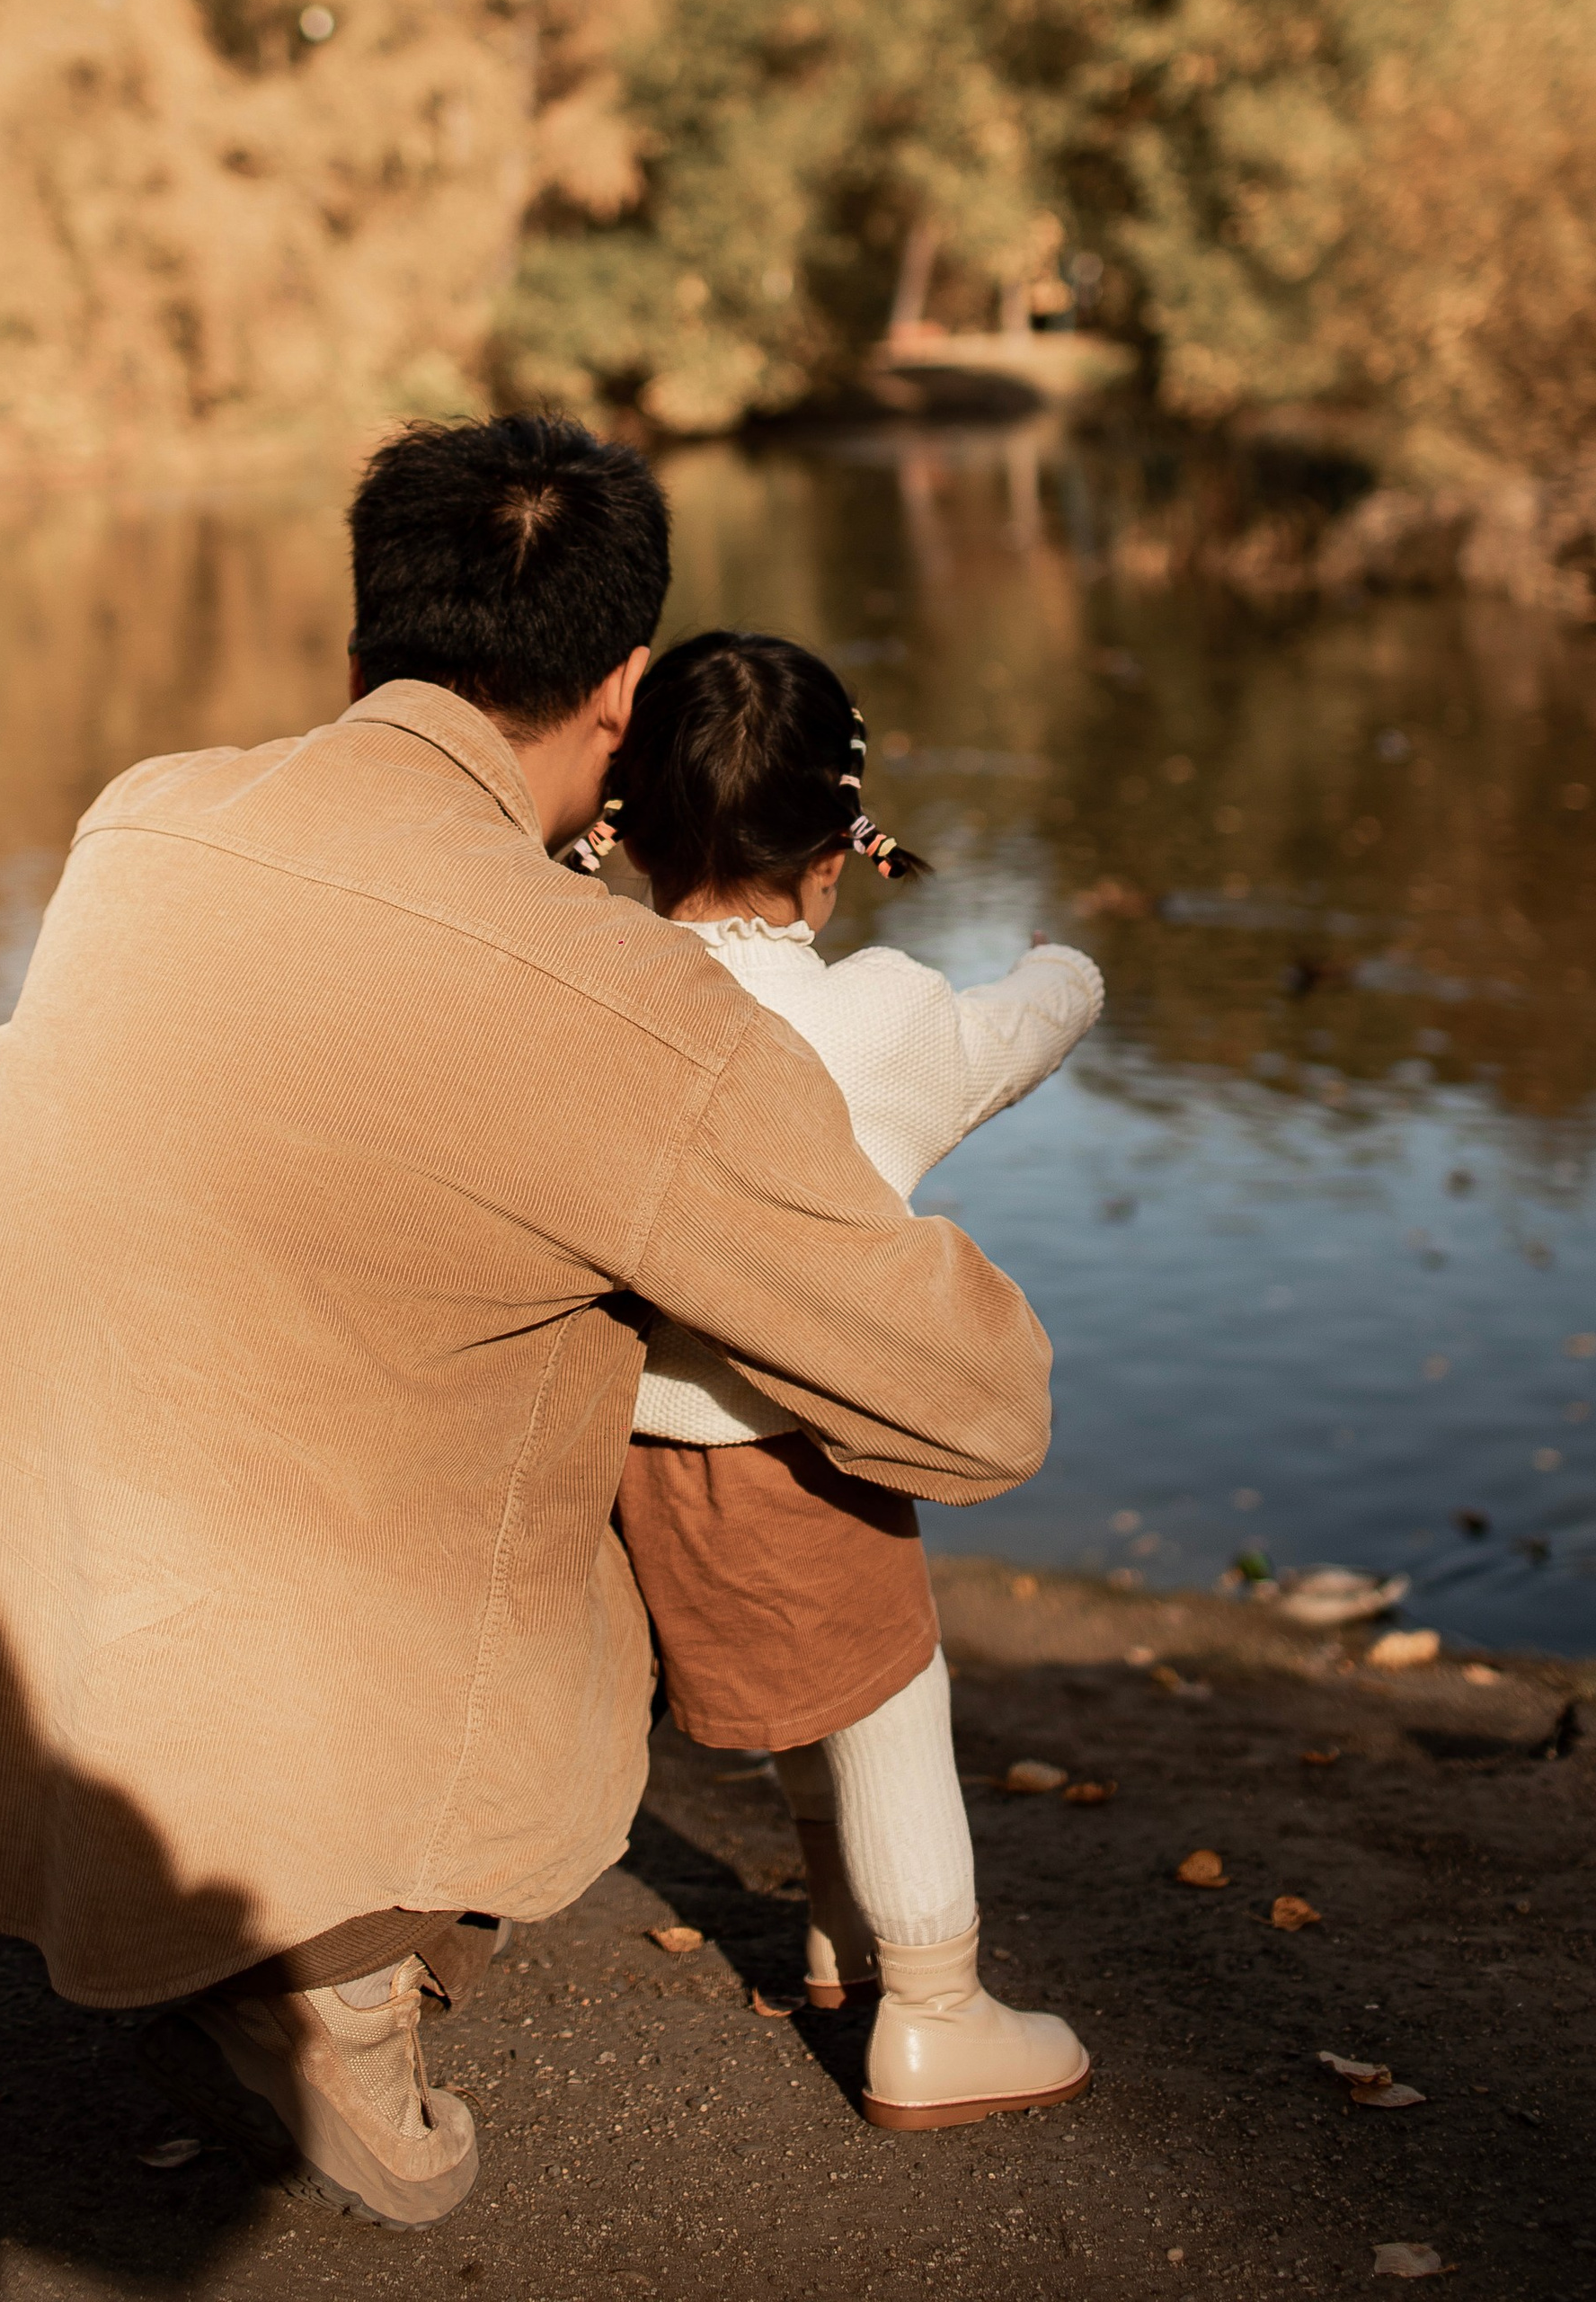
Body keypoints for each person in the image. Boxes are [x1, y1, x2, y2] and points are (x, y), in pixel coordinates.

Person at [0, 416, 1054, 2231]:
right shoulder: (619, 1004)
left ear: (364, 637)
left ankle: (222, 1896)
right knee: (611, 1439)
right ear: (619, 691)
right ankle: (337, 1976)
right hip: (240, 1649)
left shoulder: (142, 818)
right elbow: (974, 1413)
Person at [598, 628, 1102, 2131]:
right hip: (796, 1447)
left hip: (625, 1437)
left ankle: (829, 1927)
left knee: (800, 1688)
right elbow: (1016, 1038)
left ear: (622, 832)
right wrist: (1064, 966)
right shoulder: (876, 1018)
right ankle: (934, 2014)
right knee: (885, 1696)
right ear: (836, 856)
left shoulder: (597, 994)